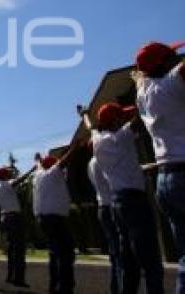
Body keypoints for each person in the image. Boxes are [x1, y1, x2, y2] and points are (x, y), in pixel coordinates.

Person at [82, 103, 165, 294]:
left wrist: (85, 115)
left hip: (118, 203)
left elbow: (91, 127)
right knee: (150, 260)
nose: (125, 120)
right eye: (122, 117)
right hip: (135, 202)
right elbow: (141, 117)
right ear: (115, 121)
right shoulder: (121, 137)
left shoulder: (98, 142)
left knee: (128, 260)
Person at [133, 41, 185, 294]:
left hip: (166, 178)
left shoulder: (143, 93)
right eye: (173, 56)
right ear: (163, 63)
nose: (177, 58)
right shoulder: (172, 83)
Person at [31, 141, 81, 294]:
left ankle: (54, 286)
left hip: (44, 219)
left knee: (54, 254)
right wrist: (74, 148)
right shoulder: (52, 173)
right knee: (66, 255)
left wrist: (37, 159)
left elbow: (39, 164)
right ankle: (64, 288)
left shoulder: (38, 175)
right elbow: (64, 162)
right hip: (55, 220)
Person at [0, 165, 34, 287]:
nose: (11, 173)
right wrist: (31, 170)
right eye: (8, 172)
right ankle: (19, 278)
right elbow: (18, 180)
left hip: (5, 217)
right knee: (19, 249)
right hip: (14, 218)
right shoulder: (7, 184)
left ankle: (10, 276)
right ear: (4, 175)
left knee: (11, 249)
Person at [87, 155, 122, 294]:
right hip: (112, 204)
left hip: (103, 206)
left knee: (115, 252)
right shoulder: (105, 157)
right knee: (121, 253)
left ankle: (116, 287)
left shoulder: (91, 163)